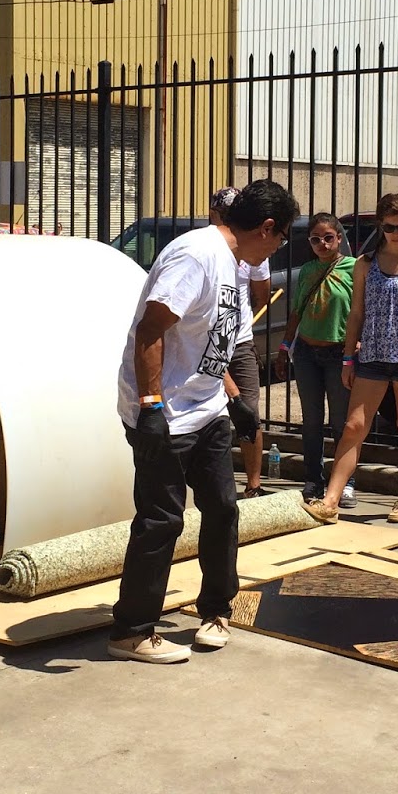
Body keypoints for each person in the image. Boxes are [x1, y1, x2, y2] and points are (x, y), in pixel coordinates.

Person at [111, 179, 299, 664]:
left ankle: (216, 610)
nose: (279, 250)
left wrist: (234, 398)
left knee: (222, 508)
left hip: (208, 406)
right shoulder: (197, 256)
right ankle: (132, 630)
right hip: (166, 413)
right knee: (161, 520)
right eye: (281, 239)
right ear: (267, 227)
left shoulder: (237, 266)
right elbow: (150, 330)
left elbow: (214, 344)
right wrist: (151, 408)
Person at [305, 193, 398, 526]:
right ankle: (331, 500)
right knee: (353, 427)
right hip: (374, 357)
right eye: (390, 226)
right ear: (380, 225)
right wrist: (348, 357)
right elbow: (357, 313)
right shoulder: (365, 263)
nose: (396, 233)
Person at [274, 212, 358, 507]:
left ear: (338, 238)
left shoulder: (353, 269)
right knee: (311, 420)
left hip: (338, 353)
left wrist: (356, 345)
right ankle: (313, 479)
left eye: (328, 238)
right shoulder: (308, 271)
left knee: (341, 421)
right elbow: (296, 312)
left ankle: (345, 482)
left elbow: (361, 311)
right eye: (315, 239)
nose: (322, 244)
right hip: (308, 352)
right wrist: (285, 346)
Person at [210, 186, 270, 496]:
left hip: (240, 343)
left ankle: (253, 485)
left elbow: (261, 297)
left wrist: (240, 320)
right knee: (212, 412)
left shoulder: (255, 252)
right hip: (209, 341)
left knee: (248, 413)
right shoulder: (208, 249)